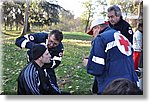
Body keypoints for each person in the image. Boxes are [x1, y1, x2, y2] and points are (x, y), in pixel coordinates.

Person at [83, 18, 138, 94]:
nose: (93, 35)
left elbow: (96, 68)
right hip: (131, 84)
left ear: (97, 28)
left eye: (92, 32)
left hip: (113, 86)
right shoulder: (121, 36)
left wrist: (88, 63)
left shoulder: (100, 39)